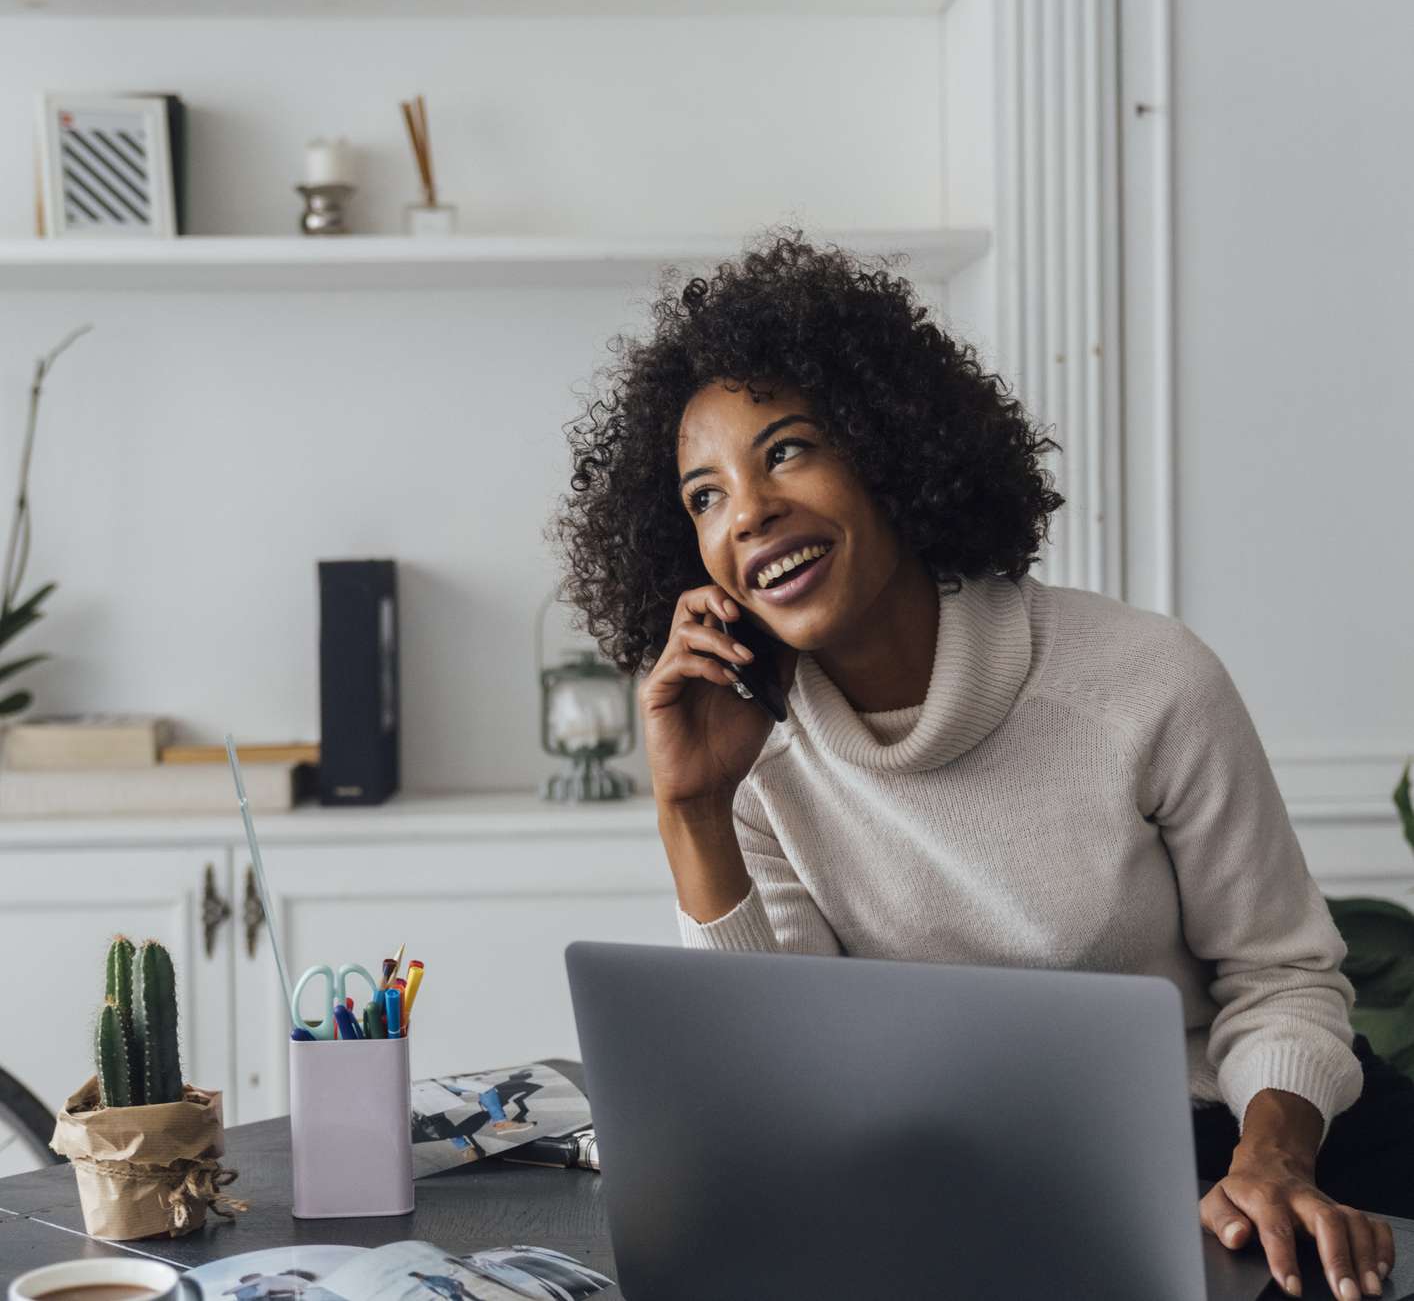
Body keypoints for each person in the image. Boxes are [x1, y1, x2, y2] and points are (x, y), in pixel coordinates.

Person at [552, 228, 1413, 1300]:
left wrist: (1268, 1158)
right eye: (704, 495)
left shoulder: (1145, 682)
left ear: (889, 451)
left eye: (786, 450)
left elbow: (1280, 973)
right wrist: (694, 809)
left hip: (1242, 1152)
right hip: (964, 1187)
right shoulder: (757, 749)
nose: (750, 511)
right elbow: (786, 1075)